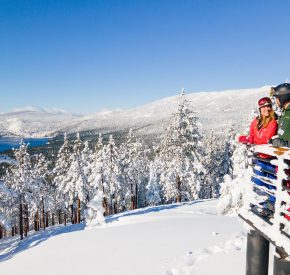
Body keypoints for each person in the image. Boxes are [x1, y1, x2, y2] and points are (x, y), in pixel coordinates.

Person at [270, 83, 290, 147]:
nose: (276, 101)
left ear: (282, 97)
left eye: (277, 98)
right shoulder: (285, 113)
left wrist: (285, 144)